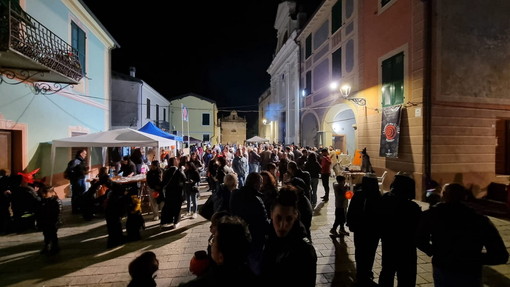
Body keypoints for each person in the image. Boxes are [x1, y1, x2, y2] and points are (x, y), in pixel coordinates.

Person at [416, 183, 509, 287]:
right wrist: (472, 258)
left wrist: (435, 251)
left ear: (443, 195)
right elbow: (500, 255)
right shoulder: (479, 220)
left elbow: (419, 238)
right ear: (464, 197)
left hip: (444, 266)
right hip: (470, 272)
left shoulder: (431, 215)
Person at [261, 186, 317, 287]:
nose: (283, 225)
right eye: (278, 218)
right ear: (271, 214)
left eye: (289, 219)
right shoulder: (267, 236)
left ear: (295, 215)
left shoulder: (304, 250)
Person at [179, 215, 258, 287]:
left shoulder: (206, 282)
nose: (211, 244)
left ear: (221, 257)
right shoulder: (252, 277)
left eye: (213, 240)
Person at [377, 173, 422, 287]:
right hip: (407, 247)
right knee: (407, 276)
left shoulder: (385, 200)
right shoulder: (412, 207)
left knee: (387, 272)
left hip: (389, 244)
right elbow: (419, 230)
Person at [229, 172, 270, 276]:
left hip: (238, 235)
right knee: (254, 266)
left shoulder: (235, 194)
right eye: (260, 184)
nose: (261, 186)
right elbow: (263, 222)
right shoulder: (257, 200)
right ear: (256, 184)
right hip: (255, 238)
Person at [346, 173, 381, 287]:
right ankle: (366, 272)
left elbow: (351, 211)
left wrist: (351, 223)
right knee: (370, 252)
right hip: (372, 231)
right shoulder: (378, 196)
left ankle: (361, 273)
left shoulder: (359, 194)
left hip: (360, 229)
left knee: (360, 251)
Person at [35, 185, 62, 255]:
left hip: (52, 221)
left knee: (53, 234)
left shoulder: (55, 201)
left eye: (45, 193)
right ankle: (47, 246)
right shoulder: (42, 200)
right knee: (46, 234)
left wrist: (55, 220)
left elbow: (57, 212)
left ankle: (55, 247)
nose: (43, 194)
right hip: (45, 220)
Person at [160, 157, 186, 229]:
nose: (178, 161)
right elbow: (184, 179)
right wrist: (183, 171)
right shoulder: (178, 170)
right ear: (175, 162)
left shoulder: (166, 171)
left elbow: (163, 182)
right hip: (177, 192)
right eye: (176, 160)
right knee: (177, 208)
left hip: (168, 192)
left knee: (168, 206)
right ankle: (176, 222)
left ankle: (166, 221)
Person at [68, 149, 88, 214]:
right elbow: (71, 170)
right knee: (76, 194)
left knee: (81, 192)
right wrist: (77, 175)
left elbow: (81, 170)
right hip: (77, 180)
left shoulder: (82, 161)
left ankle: (79, 207)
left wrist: (85, 170)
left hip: (81, 178)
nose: (85, 155)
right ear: (81, 154)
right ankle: (75, 209)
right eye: (85, 154)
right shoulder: (75, 161)